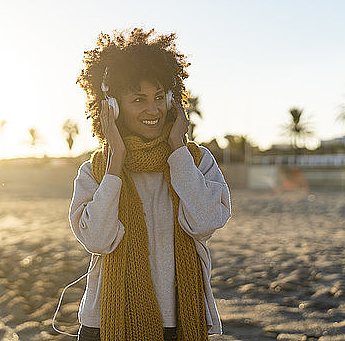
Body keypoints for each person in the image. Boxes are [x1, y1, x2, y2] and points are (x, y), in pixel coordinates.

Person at [69, 28, 231, 341]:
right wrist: (116, 160)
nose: (152, 109)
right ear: (112, 107)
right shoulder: (95, 171)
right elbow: (99, 240)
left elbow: (205, 222)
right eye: (138, 99)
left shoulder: (196, 161)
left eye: (159, 98)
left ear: (173, 101)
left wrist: (178, 150)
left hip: (179, 321)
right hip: (106, 322)